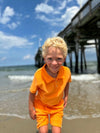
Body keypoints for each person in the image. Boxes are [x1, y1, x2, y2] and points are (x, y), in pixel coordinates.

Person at [29, 36, 71, 133]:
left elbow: (67, 83)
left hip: (57, 106)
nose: (54, 63)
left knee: (57, 131)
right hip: (41, 105)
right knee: (43, 131)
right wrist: (31, 110)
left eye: (59, 59)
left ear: (64, 59)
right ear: (44, 59)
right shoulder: (39, 74)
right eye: (50, 59)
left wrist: (66, 96)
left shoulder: (67, 72)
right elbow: (32, 93)